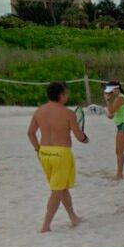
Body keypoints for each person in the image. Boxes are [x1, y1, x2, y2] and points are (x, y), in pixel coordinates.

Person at [27, 82, 88, 233]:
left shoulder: (39, 111)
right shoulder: (68, 113)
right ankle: (46, 225)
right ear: (61, 96)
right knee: (57, 190)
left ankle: (73, 217)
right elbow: (79, 136)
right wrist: (85, 138)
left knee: (62, 188)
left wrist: (38, 150)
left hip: (44, 153)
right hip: (61, 154)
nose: (67, 96)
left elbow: (30, 133)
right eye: (66, 93)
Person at [104, 81, 124, 180]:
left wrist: (108, 101)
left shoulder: (120, 98)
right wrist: (109, 112)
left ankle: (119, 174)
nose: (109, 93)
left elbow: (111, 111)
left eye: (110, 91)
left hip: (123, 126)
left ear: (116, 89)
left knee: (119, 151)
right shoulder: (120, 98)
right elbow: (112, 114)